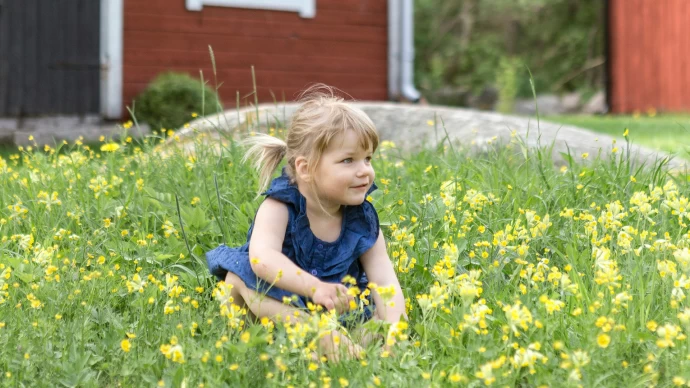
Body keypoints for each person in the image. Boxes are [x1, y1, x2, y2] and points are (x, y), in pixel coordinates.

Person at [206, 84, 406, 360]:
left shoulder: (363, 219)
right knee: (237, 276)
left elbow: (385, 282)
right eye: (348, 160)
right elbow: (262, 260)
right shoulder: (279, 207)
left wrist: (396, 334)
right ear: (305, 168)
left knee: (375, 325)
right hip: (278, 308)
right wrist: (314, 288)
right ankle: (313, 336)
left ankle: (325, 347)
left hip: (339, 311)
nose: (365, 171)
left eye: (368, 158)